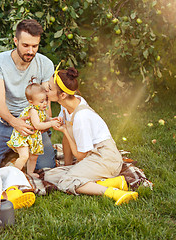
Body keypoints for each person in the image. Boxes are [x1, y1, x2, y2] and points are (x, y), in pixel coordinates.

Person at [44, 64, 138, 205]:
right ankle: (113, 182)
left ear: (62, 95)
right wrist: (68, 166)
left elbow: (81, 155)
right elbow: (67, 140)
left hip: (105, 158)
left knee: (66, 182)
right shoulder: (66, 105)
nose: (46, 88)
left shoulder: (82, 117)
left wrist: (64, 131)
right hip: (91, 156)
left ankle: (114, 192)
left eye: (50, 88)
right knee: (50, 176)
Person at [0, 19, 56, 169]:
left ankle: (18, 152)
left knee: (46, 168)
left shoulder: (45, 64)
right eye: (26, 45)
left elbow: (46, 102)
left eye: (35, 46)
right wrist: (14, 122)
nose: (30, 51)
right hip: (4, 121)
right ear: (15, 41)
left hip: (33, 125)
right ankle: (14, 150)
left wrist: (46, 123)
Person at [7, 82, 62, 177]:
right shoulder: (33, 111)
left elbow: (45, 118)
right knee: (24, 156)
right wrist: (51, 124)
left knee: (34, 156)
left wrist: (53, 119)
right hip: (23, 136)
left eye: (46, 100)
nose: (45, 103)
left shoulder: (41, 109)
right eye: (41, 101)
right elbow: (37, 125)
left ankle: (30, 172)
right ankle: (14, 174)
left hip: (33, 137)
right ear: (31, 102)